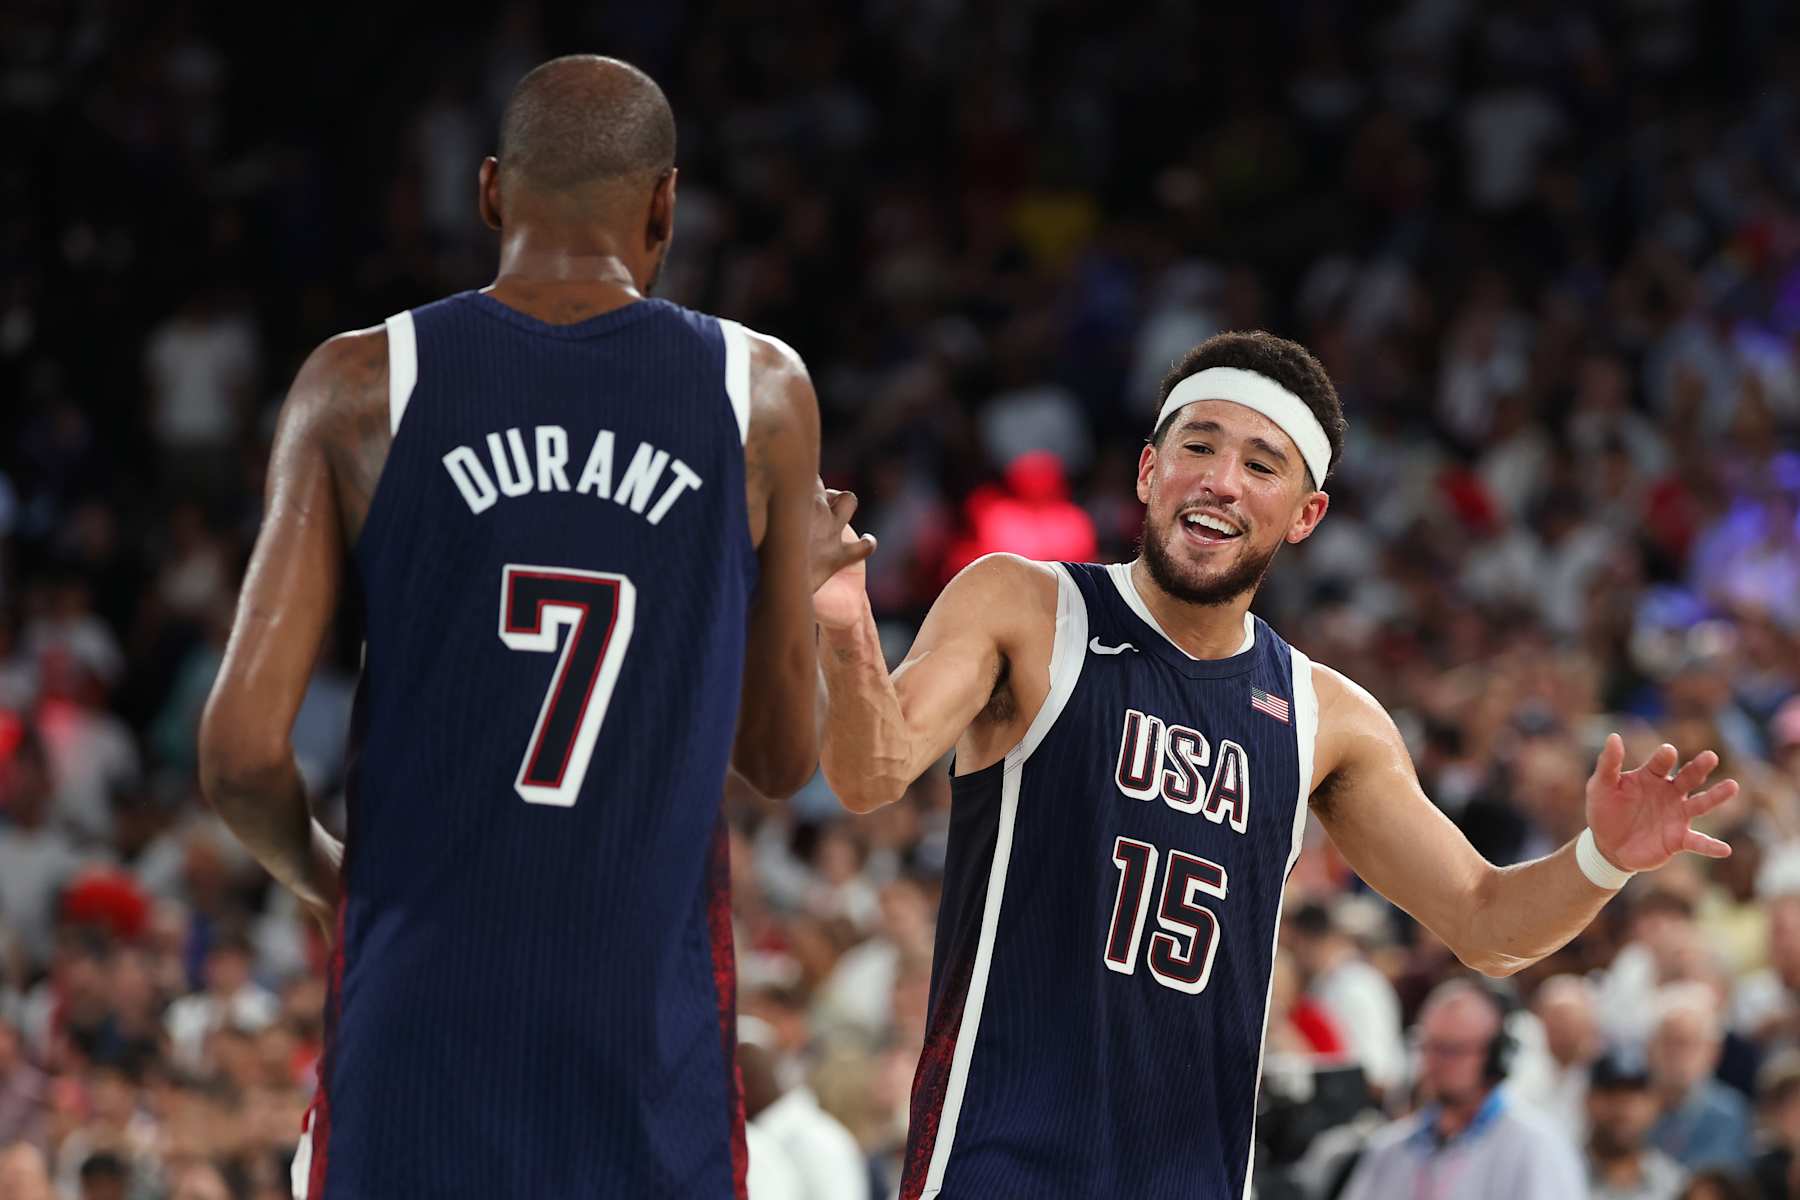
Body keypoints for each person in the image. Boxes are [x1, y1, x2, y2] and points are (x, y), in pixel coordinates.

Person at [812, 329, 1739, 1198]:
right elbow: (871, 771)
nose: (1221, 480)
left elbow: (1487, 923)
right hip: (997, 1159)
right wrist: (849, 624)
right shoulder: (1024, 603)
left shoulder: (1327, 716)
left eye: (1260, 466)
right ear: (1148, 470)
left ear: (1305, 516)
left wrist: (1602, 858)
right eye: (1199, 447)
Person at [197, 55, 868, 1199]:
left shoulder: (361, 383)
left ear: (491, 191)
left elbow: (241, 755)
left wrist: (325, 880)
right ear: (665, 205)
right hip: (643, 1044)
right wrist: (793, 583)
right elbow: (777, 758)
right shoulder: (760, 390)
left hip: (416, 1021)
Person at [1338, 980, 1585, 1200]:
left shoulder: (1536, 1147)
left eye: (1452, 1050)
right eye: (1428, 1046)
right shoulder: (1388, 1150)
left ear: (1496, 1057)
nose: (1433, 1062)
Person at [1648, 983, 1755, 1172]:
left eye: (1687, 1044)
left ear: (1713, 1052)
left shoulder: (1730, 1112)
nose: (1675, 1054)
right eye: (1667, 1041)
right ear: (1650, 1047)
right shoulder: (1632, 1105)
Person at [1586, 1046, 1689, 1200]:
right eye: (1611, 1094)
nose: (1622, 1109)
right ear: (1588, 1101)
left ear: (1654, 1104)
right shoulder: (1562, 1169)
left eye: (1633, 1098)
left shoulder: (1674, 1185)